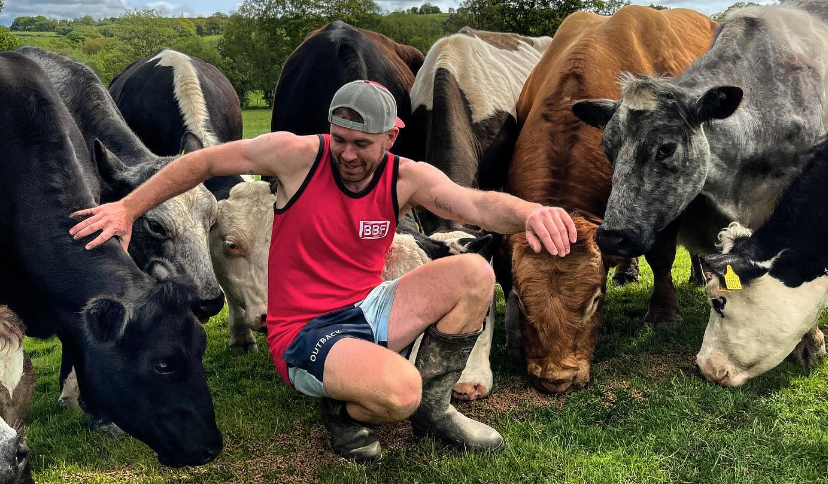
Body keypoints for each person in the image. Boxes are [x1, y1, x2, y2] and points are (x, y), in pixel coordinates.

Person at [69, 80, 577, 462]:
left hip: (369, 308)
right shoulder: (294, 157)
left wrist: (531, 213)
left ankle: (437, 409)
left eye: (364, 143)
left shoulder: (406, 177)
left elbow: (476, 204)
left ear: (393, 135)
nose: (349, 154)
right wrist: (129, 208)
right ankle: (344, 413)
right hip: (302, 330)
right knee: (399, 391)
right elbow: (203, 163)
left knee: (473, 273)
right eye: (341, 139)